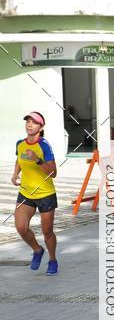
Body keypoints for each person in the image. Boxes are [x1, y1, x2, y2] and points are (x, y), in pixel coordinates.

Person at [12, 112, 59, 274]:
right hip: (26, 193)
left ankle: (52, 260)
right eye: (28, 121)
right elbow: (19, 159)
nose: (30, 124)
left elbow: (53, 173)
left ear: (41, 127)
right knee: (21, 227)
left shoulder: (44, 145)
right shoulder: (20, 144)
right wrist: (15, 174)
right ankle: (38, 250)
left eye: (34, 122)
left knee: (47, 232)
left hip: (45, 194)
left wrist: (38, 160)